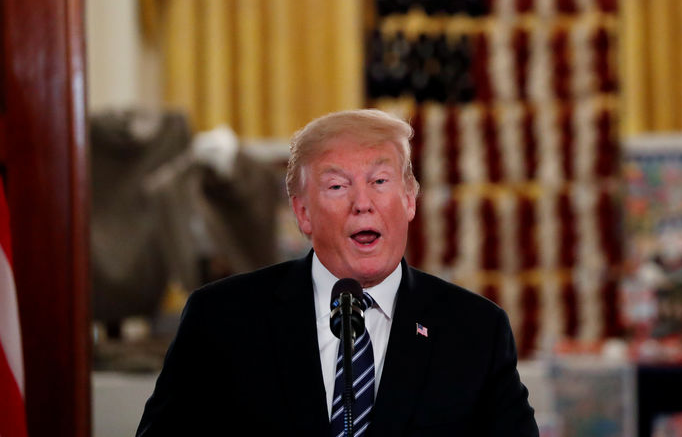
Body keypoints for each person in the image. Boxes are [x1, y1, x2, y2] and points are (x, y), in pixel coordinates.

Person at [137, 109, 539, 436]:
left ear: (409, 200)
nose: (362, 203)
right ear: (302, 213)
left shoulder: (476, 331)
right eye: (336, 186)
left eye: (380, 181)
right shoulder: (220, 320)